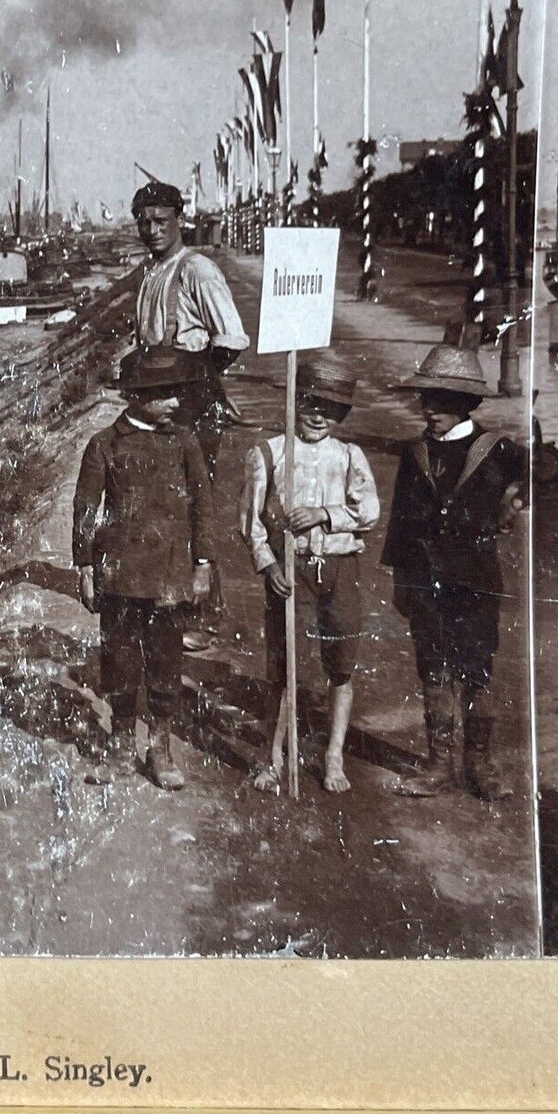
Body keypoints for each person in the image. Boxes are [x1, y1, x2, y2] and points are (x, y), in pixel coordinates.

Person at [382, 331, 528, 800]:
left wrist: (515, 504)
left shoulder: (498, 451)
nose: (430, 409)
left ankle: (480, 763)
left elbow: (541, 474)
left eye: (442, 401)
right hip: (426, 582)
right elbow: (401, 522)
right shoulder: (416, 453)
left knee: (477, 668)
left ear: (466, 403)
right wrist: (400, 580)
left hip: (476, 581)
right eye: (427, 399)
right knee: (433, 669)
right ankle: (438, 763)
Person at [73, 347, 217, 790]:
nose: (175, 403)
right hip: (119, 576)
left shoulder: (184, 441)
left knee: (165, 661)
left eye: (177, 394)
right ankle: (119, 744)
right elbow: (85, 509)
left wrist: (203, 563)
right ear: (136, 397)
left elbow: (203, 507)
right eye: (165, 395)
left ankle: (160, 748)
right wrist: (84, 567)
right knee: (117, 660)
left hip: (169, 579)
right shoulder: (105, 445)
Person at [240, 356, 380, 794]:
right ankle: (274, 756)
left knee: (341, 662)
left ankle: (333, 754)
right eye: (310, 403)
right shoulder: (268, 453)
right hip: (291, 569)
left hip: (338, 567)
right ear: (294, 401)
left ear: (341, 415)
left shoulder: (349, 456)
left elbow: (368, 512)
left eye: (330, 408)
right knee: (285, 663)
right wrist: (268, 564)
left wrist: (325, 514)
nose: (318, 415)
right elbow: (249, 521)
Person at [131, 179, 249, 479]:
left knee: (193, 489)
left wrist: (204, 387)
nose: (152, 231)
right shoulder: (153, 270)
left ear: (179, 220)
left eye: (161, 221)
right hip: (157, 394)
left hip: (190, 401)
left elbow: (232, 340)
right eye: (144, 223)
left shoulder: (197, 270)